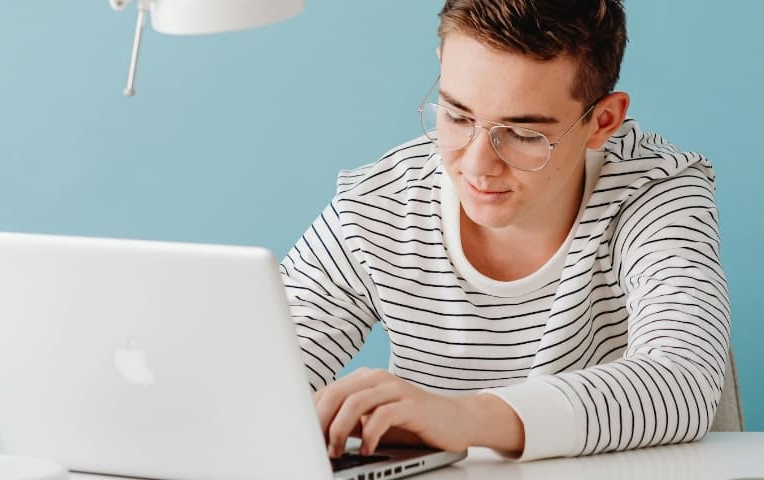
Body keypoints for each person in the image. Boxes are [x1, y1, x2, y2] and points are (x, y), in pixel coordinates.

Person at [280, 0, 729, 461]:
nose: (476, 166)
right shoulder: (378, 204)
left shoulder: (655, 191)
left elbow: (683, 379)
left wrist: (463, 419)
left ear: (602, 121)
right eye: (456, 116)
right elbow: (255, 376)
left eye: (523, 134)